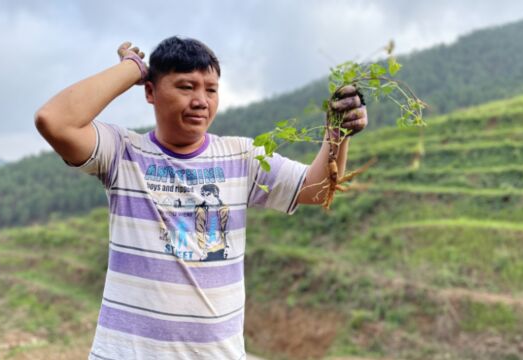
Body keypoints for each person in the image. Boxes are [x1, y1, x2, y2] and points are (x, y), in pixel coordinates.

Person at [35, 36, 367, 360]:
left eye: (210, 89)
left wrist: (337, 134)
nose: (201, 101)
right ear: (150, 91)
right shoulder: (122, 152)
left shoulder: (242, 156)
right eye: (185, 87)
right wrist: (132, 68)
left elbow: (317, 189)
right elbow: (55, 121)